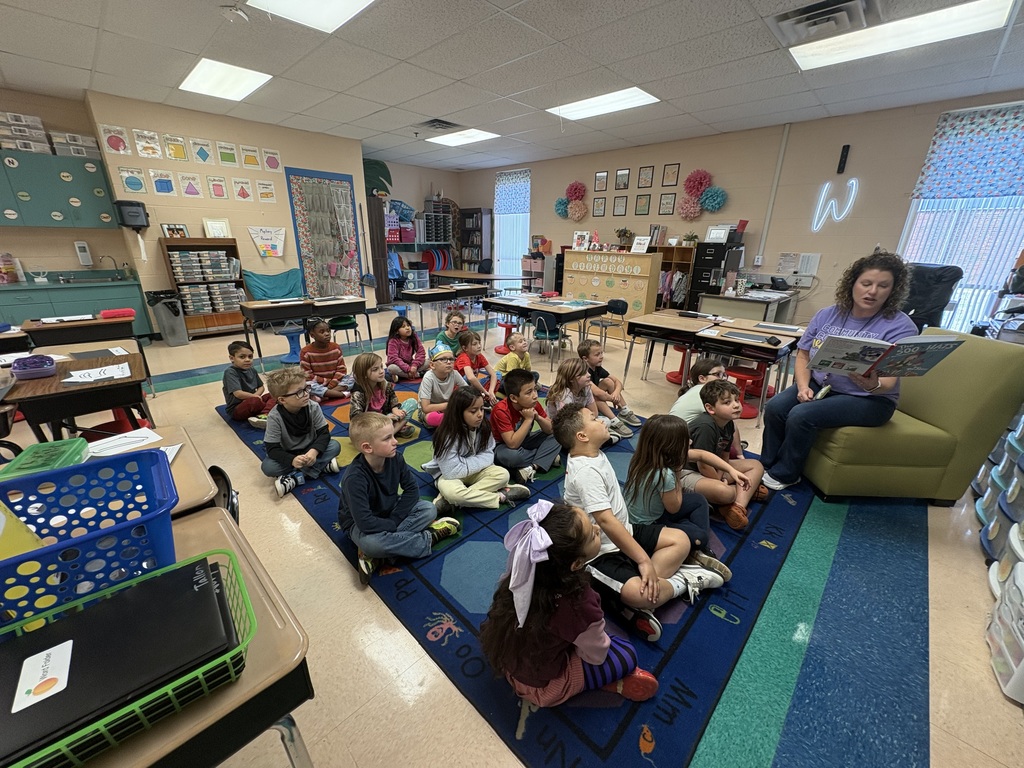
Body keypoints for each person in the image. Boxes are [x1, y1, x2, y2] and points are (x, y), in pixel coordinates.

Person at [553, 404, 724, 642]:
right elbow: (606, 521)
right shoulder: (585, 472)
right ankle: (682, 580)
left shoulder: (594, 454)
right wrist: (644, 560)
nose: (603, 419)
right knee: (642, 594)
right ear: (582, 436)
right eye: (594, 418)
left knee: (681, 540)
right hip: (600, 550)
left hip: (626, 531)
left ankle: (642, 592)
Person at [761, 250, 917, 490]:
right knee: (775, 407)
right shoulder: (827, 314)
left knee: (801, 416)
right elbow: (803, 355)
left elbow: (887, 384)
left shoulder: (901, 326)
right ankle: (766, 465)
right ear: (852, 283)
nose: (873, 291)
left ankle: (786, 474)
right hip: (823, 385)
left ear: (893, 290)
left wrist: (871, 384)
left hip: (870, 400)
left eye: (883, 286)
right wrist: (803, 387)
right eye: (866, 283)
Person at [478, 500, 659, 707]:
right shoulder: (578, 604)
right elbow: (596, 655)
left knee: (579, 633)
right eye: (593, 534)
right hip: (542, 686)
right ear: (576, 564)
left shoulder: (524, 569)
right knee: (625, 654)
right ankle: (600, 684)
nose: (598, 528)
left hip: (506, 659)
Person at [338, 412, 461, 584]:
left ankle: (377, 557)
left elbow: (411, 490)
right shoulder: (355, 479)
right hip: (358, 525)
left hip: (390, 510)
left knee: (428, 509)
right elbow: (365, 522)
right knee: (372, 544)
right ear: (367, 447)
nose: (395, 441)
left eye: (393, 436)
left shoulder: (396, 458)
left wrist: (394, 520)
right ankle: (428, 538)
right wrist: (394, 523)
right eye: (387, 438)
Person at [624, 415, 735, 580]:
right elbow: (675, 506)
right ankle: (696, 551)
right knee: (700, 536)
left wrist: (732, 471)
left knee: (698, 500)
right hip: (647, 527)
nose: (690, 442)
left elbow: (702, 455)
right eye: (686, 440)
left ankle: (689, 541)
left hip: (646, 514)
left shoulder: (644, 457)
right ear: (673, 447)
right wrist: (677, 471)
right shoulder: (665, 473)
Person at [432, 386, 530, 514]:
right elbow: (451, 471)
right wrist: (477, 462)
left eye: (482, 409)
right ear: (458, 413)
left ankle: (450, 501)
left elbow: (489, 454)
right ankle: (499, 496)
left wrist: (464, 463)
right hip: (449, 476)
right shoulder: (447, 434)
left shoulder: (483, 426)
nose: (480, 414)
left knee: (503, 475)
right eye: (473, 411)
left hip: (473, 471)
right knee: (454, 493)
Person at [688, 380, 765, 529]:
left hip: (714, 467)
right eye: (727, 402)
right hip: (688, 471)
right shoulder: (706, 426)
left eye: (736, 400)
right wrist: (719, 481)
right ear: (710, 408)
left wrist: (723, 474)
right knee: (725, 492)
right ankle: (741, 492)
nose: (736, 405)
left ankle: (737, 507)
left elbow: (724, 456)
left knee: (756, 465)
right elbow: (702, 464)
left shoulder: (728, 423)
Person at [261, 366, 343, 497]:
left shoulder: (313, 407)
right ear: (282, 400)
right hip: (290, 454)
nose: (306, 394)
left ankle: (295, 477)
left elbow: (324, 434)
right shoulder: (274, 417)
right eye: (299, 392)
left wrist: (314, 451)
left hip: (311, 450)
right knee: (268, 467)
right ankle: (321, 467)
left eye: (306, 388)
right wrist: (292, 460)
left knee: (335, 446)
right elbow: (272, 448)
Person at [491, 368, 561, 484]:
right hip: (503, 447)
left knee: (558, 433)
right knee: (513, 457)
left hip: (525, 441)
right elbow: (512, 444)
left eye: (535, 389)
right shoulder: (501, 410)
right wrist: (528, 419)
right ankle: (545, 457)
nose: (535, 396)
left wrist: (538, 417)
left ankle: (532, 467)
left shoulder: (533, 403)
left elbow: (550, 430)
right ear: (514, 398)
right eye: (529, 392)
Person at [545, 357, 620, 446]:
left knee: (606, 421)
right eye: (583, 373)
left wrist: (591, 423)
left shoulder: (586, 387)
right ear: (571, 379)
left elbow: (594, 413)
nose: (589, 375)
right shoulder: (564, 395)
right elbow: (568, 423)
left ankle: (594, 439)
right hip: (563, 426)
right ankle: (597, 440)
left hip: (579, 420)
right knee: (571, 435)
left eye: (587, 371)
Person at [578, 339, 641, 437]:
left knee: (608, 382)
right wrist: (612, 399)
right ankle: (614, 421)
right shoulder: (583, 371)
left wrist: (615, 394)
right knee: (596, 396)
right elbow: (597, 392)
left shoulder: (597, 367)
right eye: (597, 355)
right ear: (585, 358)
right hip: (581, 402)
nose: (601, 357)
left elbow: (618, 382)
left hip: (590, 397)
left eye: (601, 353)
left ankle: (624, 410)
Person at [349, 352, 413, 438]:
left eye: (381, 367)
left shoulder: (385, 383)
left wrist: (395, 409)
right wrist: (384, 419)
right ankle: (391, 433)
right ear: (364, 374)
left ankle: (388, 434)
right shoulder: (358, 392)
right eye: (375, 369)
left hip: (387, 417)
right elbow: (357, 418)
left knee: (412, 403)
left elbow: (392, 397)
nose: (381, 371)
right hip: (371, 423)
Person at [222, 340, 273, 428]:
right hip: (237, 408)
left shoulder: (251, 369)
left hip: (255, 400)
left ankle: (264, 414)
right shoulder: (230, 372)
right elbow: (238, 393)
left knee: (274, 394)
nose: (247, 360)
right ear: (232, 358)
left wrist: (257, 396)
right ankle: (265, 413)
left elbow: (261, 387)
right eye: (242, 357)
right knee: (255, 402)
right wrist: (255, 397)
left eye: (250, 356)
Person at [299, 317, 352, 401]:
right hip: (318, 383)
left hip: (335, 382)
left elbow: (341, 370)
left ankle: (325, 395)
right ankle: (341, 394)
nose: (327, 334)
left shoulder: (336, 347)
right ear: (312, 335)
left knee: (354, 377)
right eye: (322, 332)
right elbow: (307, 375)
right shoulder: (306, 352)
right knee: (308, 385)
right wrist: (325, 381)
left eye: (328, 331)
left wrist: (332, 383)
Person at [417, 345, 467, 428]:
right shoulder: (428, 377)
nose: (448, 362)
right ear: (432, 365)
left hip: (447, 407)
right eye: (443, 359)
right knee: (431, 417)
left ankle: (451, 420)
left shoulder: (454, 374)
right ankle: (452, 420)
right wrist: (451, 404)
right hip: (430, 410)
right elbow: (425, 408)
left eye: (451, 359)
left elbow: (467, 391)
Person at [668, 358, 728, 425]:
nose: (724, 378)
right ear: (702, 379)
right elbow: (724, 415)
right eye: (718, 374)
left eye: (724, 375)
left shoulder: (696, 389)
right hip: (679, 433)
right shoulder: (703, 392)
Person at [455, 329, 498, 406]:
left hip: (474, 384)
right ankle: (484, 395)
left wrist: (491, 391)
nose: (479, 346)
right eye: (474, 344)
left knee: (498, 374)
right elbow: (470, 378)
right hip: (462, 387)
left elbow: (493, 374)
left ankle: (488, 396)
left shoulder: (479, 356)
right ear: (465, 348)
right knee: (467, 377)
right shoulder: (463, 357)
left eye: (479, 343)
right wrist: (484, 391)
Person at [386, 316, 428, 381]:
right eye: (403, 327)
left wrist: (414, 365)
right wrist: (408, 368)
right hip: (398, 365)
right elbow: (394, 358)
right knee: (391, 368)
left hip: (410, 364)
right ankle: (418, 374)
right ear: (397, 331)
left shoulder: (414, 336)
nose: (407, 328)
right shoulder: (393, 341)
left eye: (408, 325)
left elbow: (421, 352)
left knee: (428, 361)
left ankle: (404, 375)